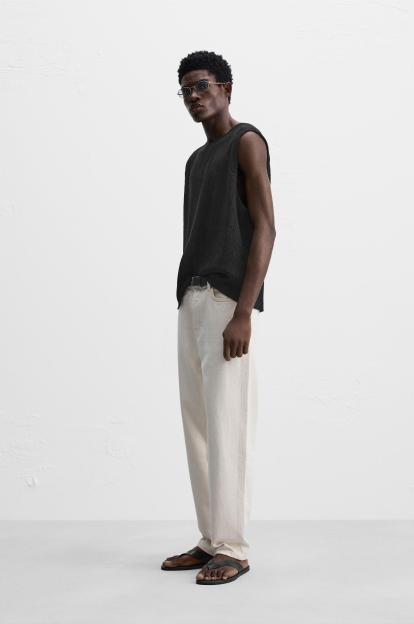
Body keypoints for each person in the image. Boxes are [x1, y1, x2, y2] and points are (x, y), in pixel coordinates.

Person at [161, 50, 276, 585]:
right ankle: (211, 539)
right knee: (199, 426)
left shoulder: (246, 141)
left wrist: (244, 311)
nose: (194, 96)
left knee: (228, 424)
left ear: (227, 88)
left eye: (203, 85)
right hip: (192, 298)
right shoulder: (196, 160)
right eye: (185, 89)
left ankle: (234, 547)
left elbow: (266, 228)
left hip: (227, 301)